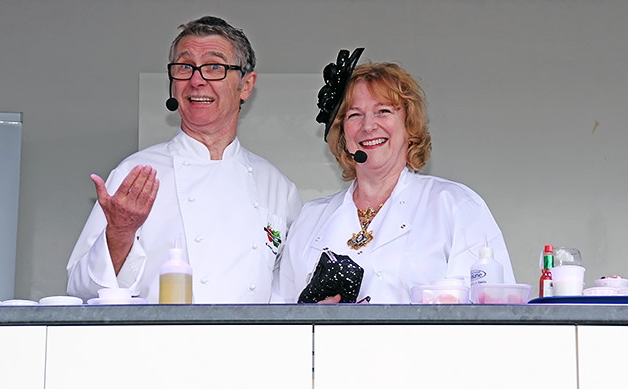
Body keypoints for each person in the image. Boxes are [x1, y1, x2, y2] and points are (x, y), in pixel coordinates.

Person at [67, 16, 302, 303]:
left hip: (249, 346)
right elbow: (81, 292)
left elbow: (291, 294)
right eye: (184, 67)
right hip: (159, 343)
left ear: (246, 85)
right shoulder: (136, 174)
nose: (196, 80)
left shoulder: (276, 186)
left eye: (214, 67)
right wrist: (119, 233)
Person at [274, 49, 514, 304]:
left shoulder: (456, 206)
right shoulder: (310, 219)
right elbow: (280, 317)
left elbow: (492, 314)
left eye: (384, 111)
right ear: (342, 134)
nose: (368, 126)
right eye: (355, 115)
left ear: (409, 126)